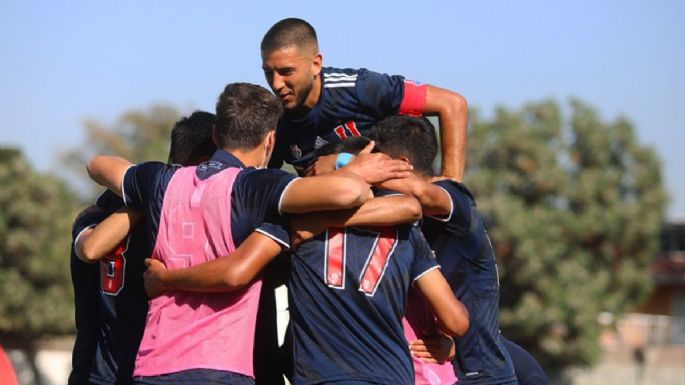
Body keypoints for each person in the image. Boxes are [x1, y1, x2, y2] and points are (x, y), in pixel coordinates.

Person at [86, 82, 413, 385]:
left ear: (216, 134)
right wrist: (355, 168)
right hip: (221, 368)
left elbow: (97, 164)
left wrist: (139, 195)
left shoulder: (160, 180)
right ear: (270, 139)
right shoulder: (258, 188)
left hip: (155, 366)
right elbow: (347, 193)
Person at [369, 115, 550, 385]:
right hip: (452, 367)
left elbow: (424, 193)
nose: (366, 169)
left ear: (402, 166)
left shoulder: (452, 196)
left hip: (481, 374)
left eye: (376, 160)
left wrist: (350, 170)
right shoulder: (401, 224)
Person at [69, 111, 217, 385]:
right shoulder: (181, 218)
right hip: (129, 367)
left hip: (101, 368)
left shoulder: (102, 209)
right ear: (204, 162)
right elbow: (90, 249)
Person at [260, 18, 468, 181]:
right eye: (269, 72)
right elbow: (259, 181)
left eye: (286, 71)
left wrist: (450, 182)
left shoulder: (360, 88)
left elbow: (452, 104)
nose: (276, 83)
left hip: (394, 203)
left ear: (316, 64)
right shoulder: (274, 120)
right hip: (328, 221)